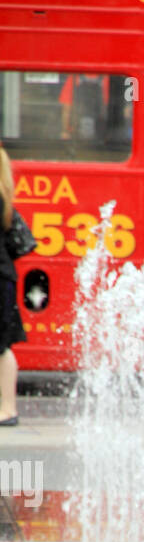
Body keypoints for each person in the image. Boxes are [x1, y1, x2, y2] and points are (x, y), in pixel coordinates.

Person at [0, 141, 25, 428]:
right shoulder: (4, 195)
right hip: (4, 276)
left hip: (0, 278)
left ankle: (8, 408)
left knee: (1, 346)